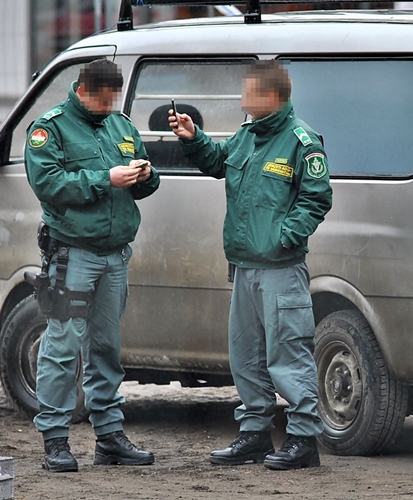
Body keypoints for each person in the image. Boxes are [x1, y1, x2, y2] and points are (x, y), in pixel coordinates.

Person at [170, 60, 333, 470]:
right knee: (246, 355)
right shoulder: (246, 136)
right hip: (244, 267)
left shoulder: (301, 141)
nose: (242, 97)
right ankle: (255, 434)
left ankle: (302, 440)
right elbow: (217, 162)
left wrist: (284, 237)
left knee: (289, 353)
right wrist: (194, 138)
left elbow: (317, 198)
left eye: (248, 90)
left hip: (280, 268)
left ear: (271, 95)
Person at [24, 59, 160, 472]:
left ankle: (110, 437)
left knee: (106, 348)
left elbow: (145, 182)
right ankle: (55, 440)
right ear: (82, 89)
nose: (108, 105)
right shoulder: (51, 128)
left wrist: (145, 175)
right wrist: (106, 179)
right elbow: (47, 184)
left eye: (112, 99)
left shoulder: (120, 125)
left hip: (115, 254)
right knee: (63, 346)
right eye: (102, 99)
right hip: (73, 255)